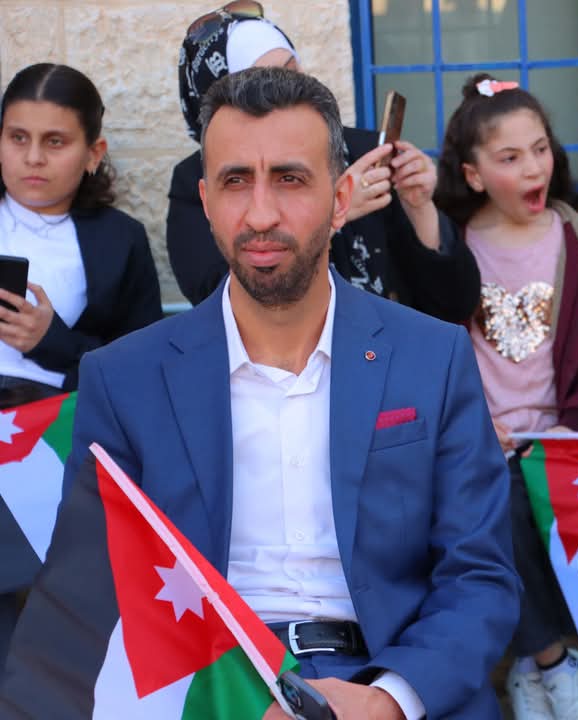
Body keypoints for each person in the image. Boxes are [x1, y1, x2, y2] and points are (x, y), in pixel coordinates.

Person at [1, 67, 518, 719]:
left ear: (341, 199)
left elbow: (480, 577)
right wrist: (236, 706)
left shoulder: (432, 358)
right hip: (209, 691)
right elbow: (91, 598)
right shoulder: (125, 379)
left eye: (290, 179)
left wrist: (387, 700)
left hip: (397, 682)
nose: (261, 214)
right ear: (207, 202)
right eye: (236, 181)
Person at [433, 73, 578, 720]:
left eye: (541, 149)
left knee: (547, 499)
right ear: (472, 174)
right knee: (495, 497)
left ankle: (531, 667)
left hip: (570, 441)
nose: (533, 168)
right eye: (510, 157)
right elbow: (428, 353)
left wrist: (570, 427)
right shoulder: (448, 253)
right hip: (481, 440)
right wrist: (473, 424)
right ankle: (554, 661)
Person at [168, 2, 480, 322]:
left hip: (388, 348)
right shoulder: (194, 180)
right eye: (258, 84)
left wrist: (420, 209)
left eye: (291, 72)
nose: (281, 92)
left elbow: (455, 301)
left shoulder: (366, 154)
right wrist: (332, 215)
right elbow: (216, 300)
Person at [0, 62, 162, 660]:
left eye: (55, 142)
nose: (33, 158)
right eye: (18, 138)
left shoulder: (119, 239)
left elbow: (145, 368)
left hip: (59, 444)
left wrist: (54, 342)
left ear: (93, 153)